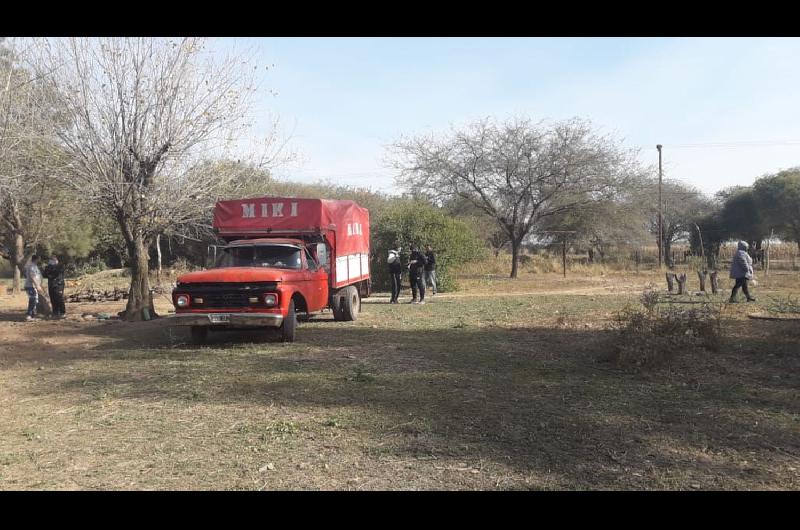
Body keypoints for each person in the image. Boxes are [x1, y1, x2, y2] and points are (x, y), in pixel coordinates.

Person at [23, 255, 43, 321]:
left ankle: (32, 315)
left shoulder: (35, 266)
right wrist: (37, 285)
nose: (40, 260)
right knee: (33, 300)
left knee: (34, 300)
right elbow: (32, 276)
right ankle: (28, 315)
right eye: (39, 259)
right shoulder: (32, 266)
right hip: (30, 286)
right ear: (36, 259)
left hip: (33, 286)